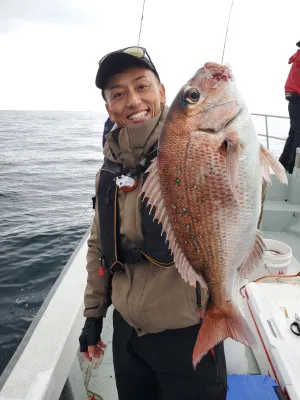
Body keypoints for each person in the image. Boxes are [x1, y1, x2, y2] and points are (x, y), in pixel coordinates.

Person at [79, 46, 227, 400]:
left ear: (162, 92)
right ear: (108, 108)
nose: (132, 100)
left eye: (142, 86)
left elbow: (244, 194)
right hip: (127, 333)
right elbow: (100, 245)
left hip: (188, 332)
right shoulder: (109, 169)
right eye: (118, 93)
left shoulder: (197, 148)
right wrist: (94, 314)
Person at [279, 40, 300, 174]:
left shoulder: (297, 57)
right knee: (298, 132)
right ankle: (296, 167)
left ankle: (285, 163)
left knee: (294, 132)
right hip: (297, 97)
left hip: (293, 98)